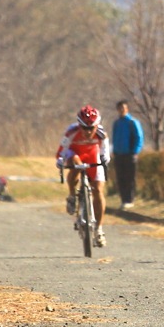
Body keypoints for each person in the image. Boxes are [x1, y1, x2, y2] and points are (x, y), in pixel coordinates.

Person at [56, 105, 111, 247]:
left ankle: (99, 229)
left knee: (98, 190)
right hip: (75, 154)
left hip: (93, 156)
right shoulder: (71, 132)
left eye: (91, 128)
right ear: (79, 125)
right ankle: (72, 195)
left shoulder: (101, 134)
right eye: (84, 128)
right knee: (75, 163)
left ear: (97, 125)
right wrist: (61, 162)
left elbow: (104, 151)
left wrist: (105, 160)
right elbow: (61, 152)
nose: (88, 132)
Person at [112, 100, 144, 209]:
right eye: (119, 108)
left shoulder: (132, 122)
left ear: (127, 109)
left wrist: (134, 152)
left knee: (129, 178)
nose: (121, 110)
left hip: (129, 154)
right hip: (118, 155)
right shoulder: (116, 123)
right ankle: (123, 199)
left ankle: (130, 200)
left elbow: (139, 137)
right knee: (120, 178)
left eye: (123, 108)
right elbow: (114, 137)